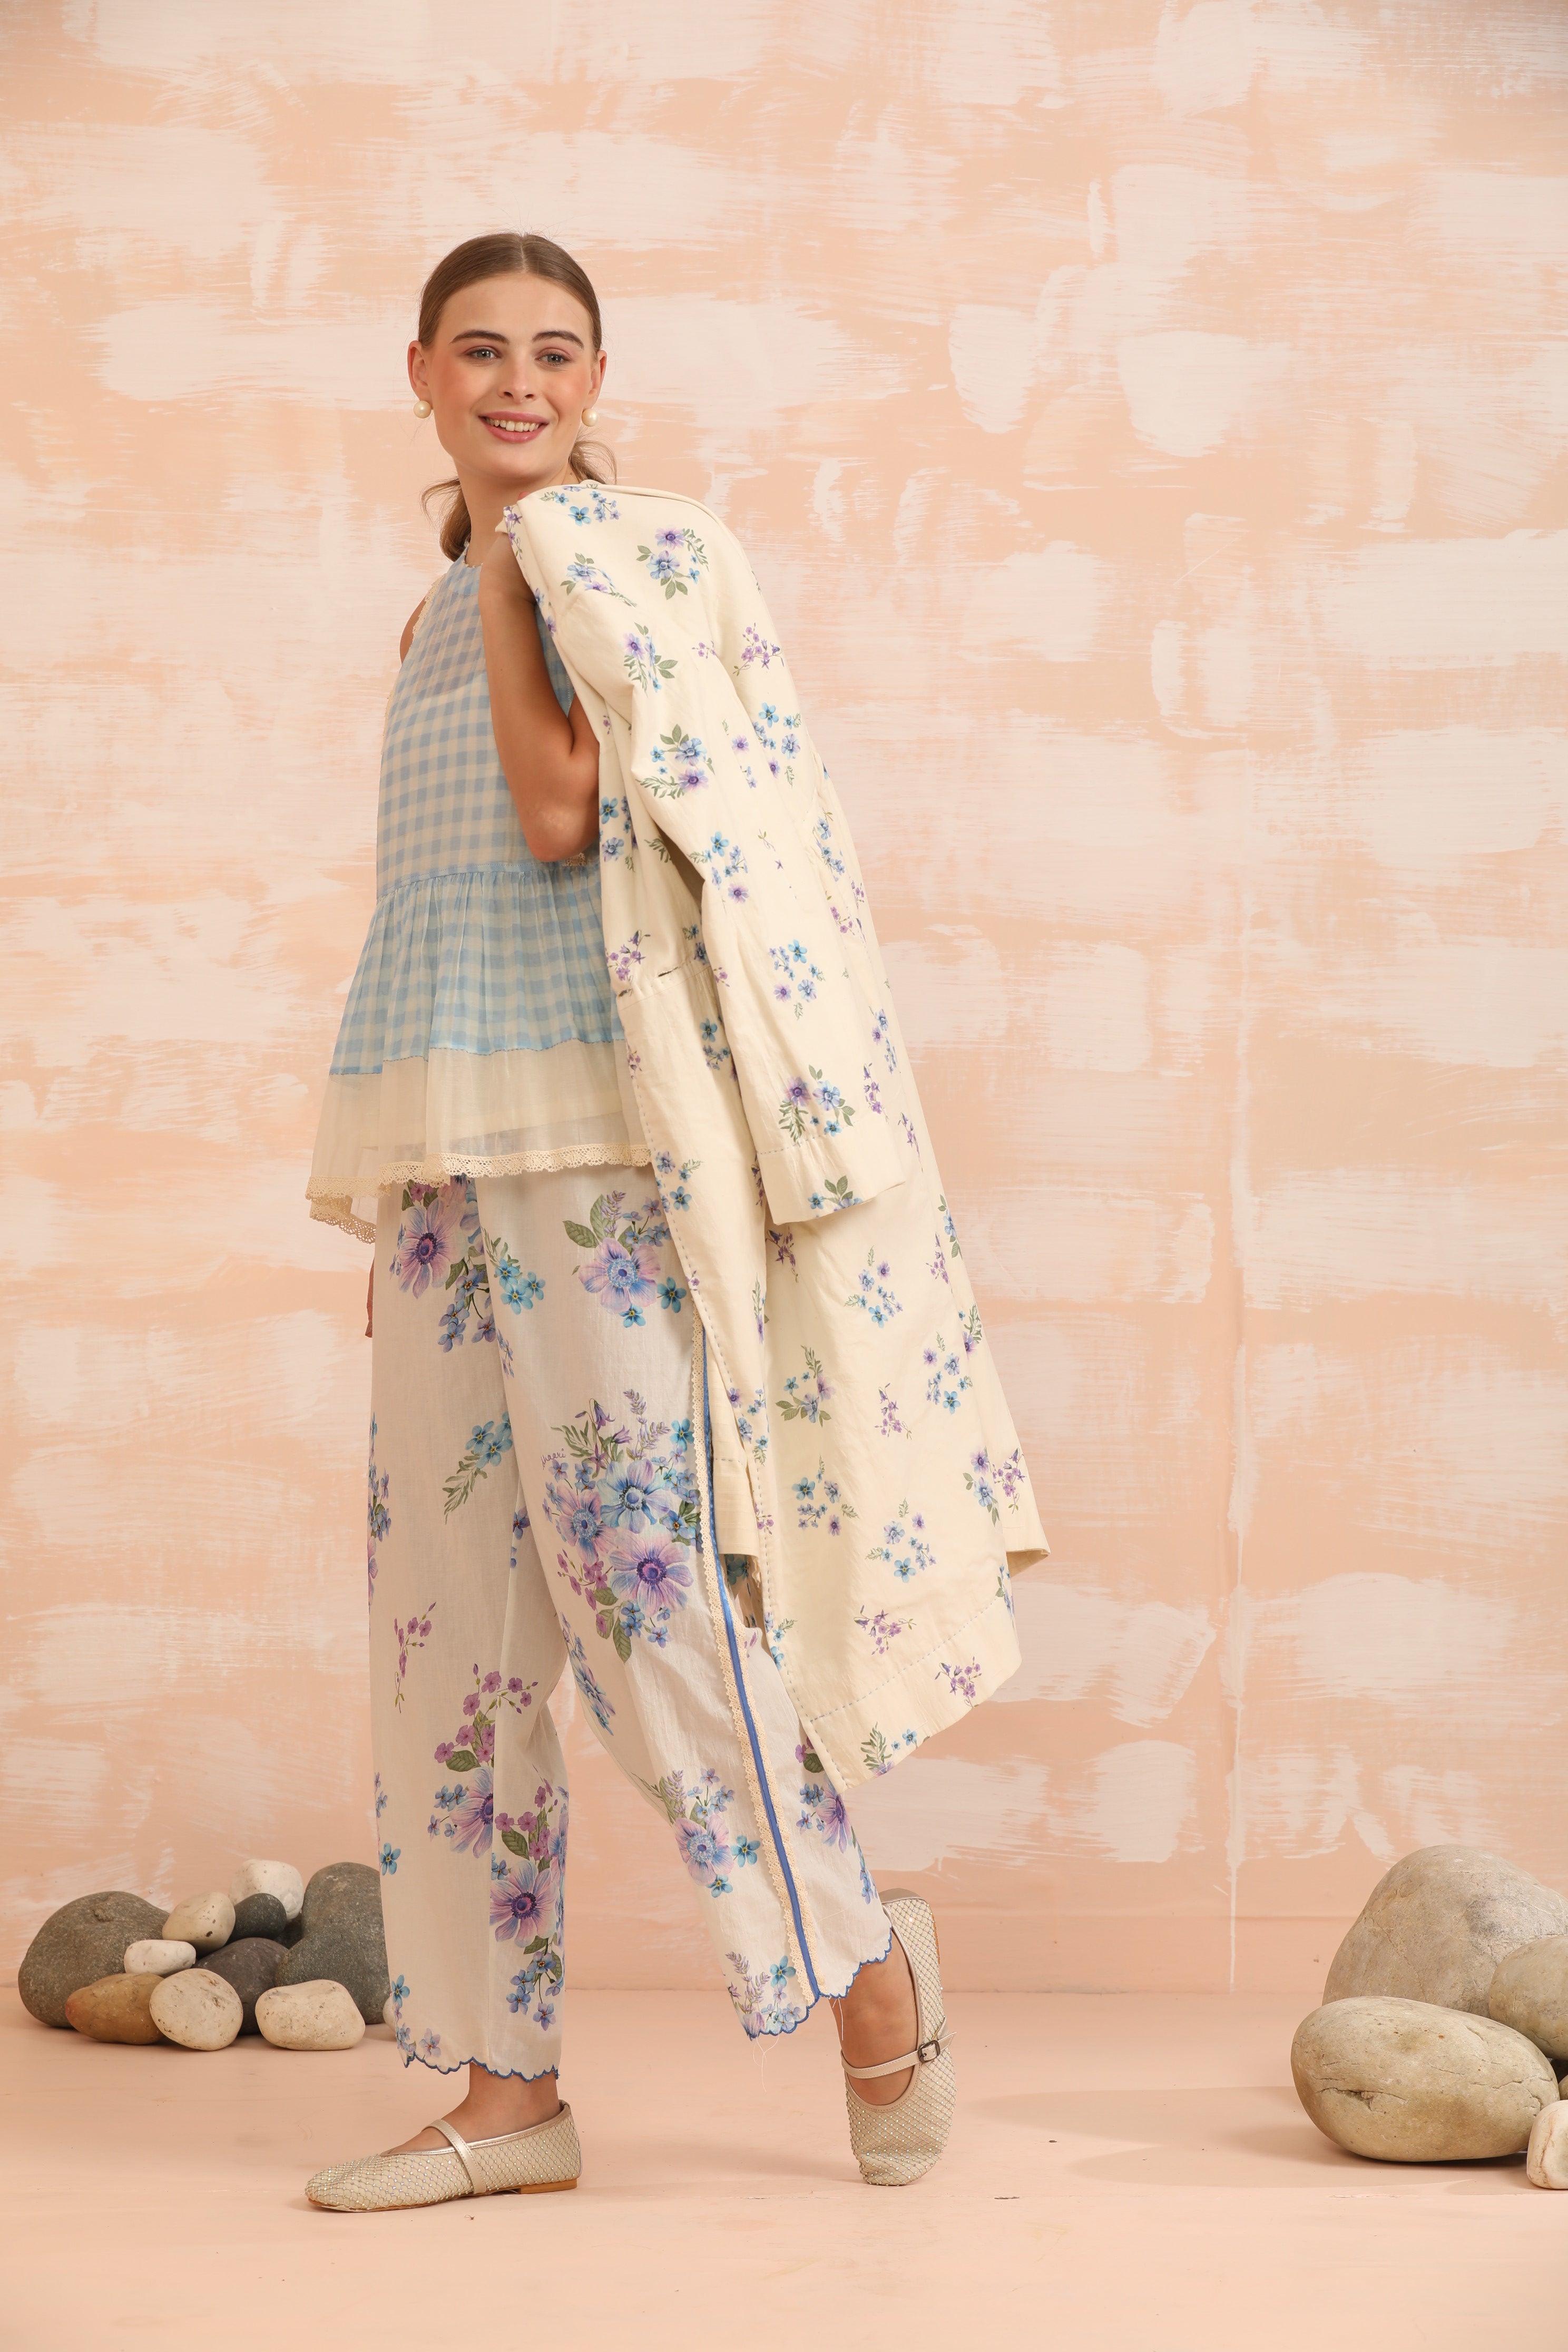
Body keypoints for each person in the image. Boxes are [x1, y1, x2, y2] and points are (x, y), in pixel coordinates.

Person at [303, 232, 1044, 2213]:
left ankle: (868, 1971)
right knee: (447, 1637)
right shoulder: (432, 609)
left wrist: (513, 562)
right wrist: (412, 1202)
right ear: (419, 372)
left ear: (596, 381)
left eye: (555, 353)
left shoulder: (589, 562)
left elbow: (566, 819)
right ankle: (504, 2093)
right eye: (481, 350)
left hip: (607, 1175)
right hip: (454, 1176)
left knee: (653, 1609)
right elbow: (443, 909)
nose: (517, 383)